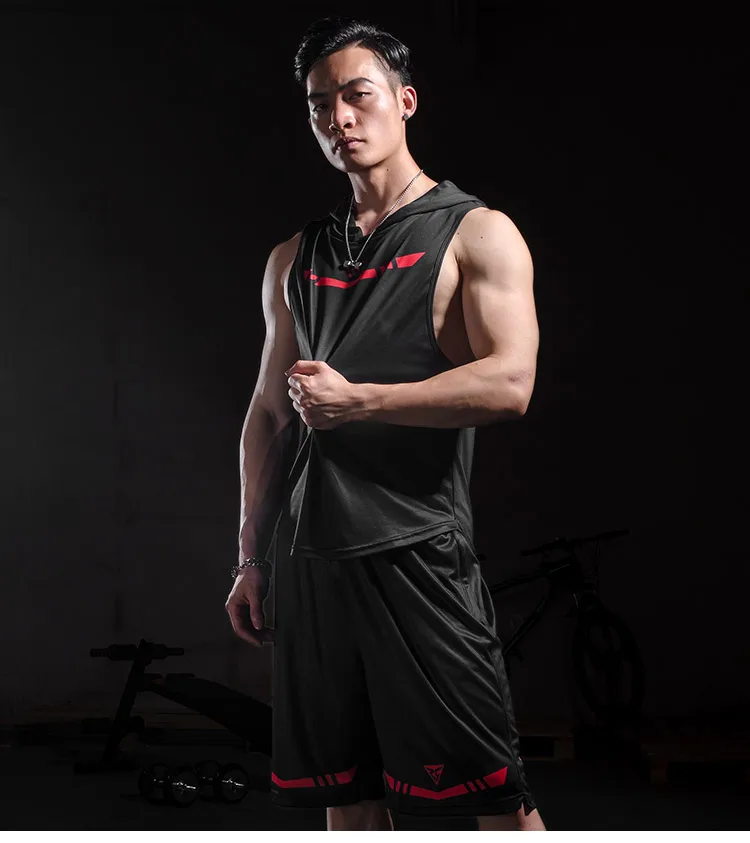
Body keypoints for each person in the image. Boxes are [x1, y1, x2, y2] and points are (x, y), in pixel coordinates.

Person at [225, 16, 544, 832]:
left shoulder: (476, 232)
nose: (339, 117)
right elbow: (269, 411)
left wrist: (361, 401)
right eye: (319, 105)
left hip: (419, 554)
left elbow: (510, 381)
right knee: (350, 802)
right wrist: (251, 555)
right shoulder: (294, 258)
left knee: (498, 809)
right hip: (312, 563)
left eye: (357, 95)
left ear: (404, 101)